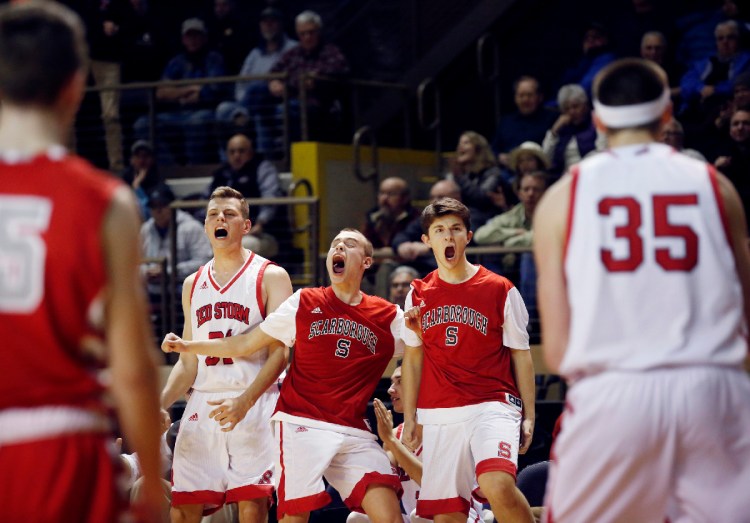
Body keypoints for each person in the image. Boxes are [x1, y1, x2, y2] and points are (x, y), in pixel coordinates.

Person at [533, 58, 750, 522]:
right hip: (714, 388)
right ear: (668, 114)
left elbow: (556, 349)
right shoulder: (716, 186)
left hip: (615, 390)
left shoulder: (561, 198)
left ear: (597, 121)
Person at [0, 2, 163, 521]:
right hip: (60, 448)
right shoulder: (104, 201)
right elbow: (133, 369)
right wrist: (155, 485)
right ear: (75, 86)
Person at [162, 228, 405, 523]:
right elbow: (244, 343)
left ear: (367, 261)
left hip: (351, 428)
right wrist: (189, 345)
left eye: (349, 244)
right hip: (301, 424)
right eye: (334, 243)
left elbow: (420, 351)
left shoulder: (388, 315)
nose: (338, 247)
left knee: (389, 514)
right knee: (294, 517)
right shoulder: (303, 301)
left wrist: (414, 416)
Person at [159, 186, 294, 522]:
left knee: (251, 508)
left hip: (254, 399)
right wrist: (159, 404)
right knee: (182, 511)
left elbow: (281, 356)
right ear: (206, 227)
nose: (220, 219)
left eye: (230, 214)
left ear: (245, 227)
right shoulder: (192, 283)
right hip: (203, 402)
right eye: (213, 215)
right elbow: (188, 362)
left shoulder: (271, 276)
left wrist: (245, 401)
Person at [400, 198, 536, 523]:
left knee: (497, 483)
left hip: (492, 404)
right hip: (438, 413)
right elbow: (413, 360)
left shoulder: (500, 289)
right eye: (440, 231)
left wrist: (529, 414)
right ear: (426, 240)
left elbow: (521, 353)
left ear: (468, 236)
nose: (448, 237)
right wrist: (410, 417)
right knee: (448, 516)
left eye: (456, 230)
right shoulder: (417, 295)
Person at [347, 365, 487, 523]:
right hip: (417, 518)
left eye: (399, 382)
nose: (391, 390)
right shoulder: (394, 436)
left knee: (419, 516)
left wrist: (392, 442)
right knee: (357, 518)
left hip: (460, 517)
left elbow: (436, 488)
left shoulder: (449, 429)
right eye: (392, 383)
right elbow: (382, 492)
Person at [133, 18, 227, 165]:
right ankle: (170, 165)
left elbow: (214, 89)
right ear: (183, 39)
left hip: (204, 111)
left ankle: (193, 167)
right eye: (189, 36)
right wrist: (190, 89)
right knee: (142, 124)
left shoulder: (214, 59)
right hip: (177, 113)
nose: (193, 40)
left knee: (196, 122)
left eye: (197, 36)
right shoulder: (176, 62)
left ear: (204, 38)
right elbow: (161, 92)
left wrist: (185, 92)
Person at [215, 6, 298, 154]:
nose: (268, 26)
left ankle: (242, 115)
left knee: (259, 90)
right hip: (252, 103)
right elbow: (241, 83)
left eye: (272, 22)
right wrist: (244, 102)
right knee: (223, 109)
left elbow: (291, 78)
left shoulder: (293, 49)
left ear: (280, 24)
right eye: (265, 22)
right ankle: (226, 160)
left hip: (277, 100)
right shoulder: (255, 53)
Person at [268, 10, 349, 142]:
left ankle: (288, 150)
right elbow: (274, 71)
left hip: (319, 105)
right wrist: (273, 81)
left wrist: (317, 78)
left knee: (284, 110)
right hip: (293, 98)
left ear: (319, 32)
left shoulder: (330, 51)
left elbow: (340, 69)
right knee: (257, 91)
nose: (307, 37)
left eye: (311, 32)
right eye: (302, 33)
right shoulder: (293, 53)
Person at [208, 134, 283, 258]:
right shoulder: (221, 174)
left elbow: (270, 199)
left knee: (240, 246)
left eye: (241, 151)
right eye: (232, 152)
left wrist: (260, 223)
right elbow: (206, 201)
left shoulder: (262, 168)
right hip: (224, 233)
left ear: (251, 152)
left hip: (259, 234)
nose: (236, 155)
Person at [140, 182, 213, 309]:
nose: (158, 211)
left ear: (172, 206)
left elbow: (205, 262)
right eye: (153, 207)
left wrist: (169, 271)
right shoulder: (146, 229)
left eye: (162, 206)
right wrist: (146, 271)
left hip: (184, 289)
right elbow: (135, 261)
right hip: (152, 290)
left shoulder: (191, 227)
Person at [474, 171, 548, 277]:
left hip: (544, 267)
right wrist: (515, 232)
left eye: (536, 189)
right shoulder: (512, 215)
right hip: (511, 267)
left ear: (545, 193)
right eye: (526, 189)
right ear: (519, 193)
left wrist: (507, 243)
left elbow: (538, 237)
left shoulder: (552, 214)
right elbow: (480, 236)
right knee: (490, 256)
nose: (530, 194)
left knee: (528, 256)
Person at [679, 20, 750, 117]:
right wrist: (701, 88)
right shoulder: (704, 62)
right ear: (716, 42)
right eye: (720, 38)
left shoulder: (747, 61)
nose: (725, 42)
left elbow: (738, 85)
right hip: (694, 108)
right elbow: (686, 83)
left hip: (726, 110)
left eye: (730, 37)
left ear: (739, 40)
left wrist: (716, 90)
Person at [490, 76, 557, 169]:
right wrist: (499, 157)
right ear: (515, 98)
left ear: (540, 97)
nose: (525, 100)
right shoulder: (506, 122)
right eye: (521, 95)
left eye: (529, 95)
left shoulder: (553, 119)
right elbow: (493, 150)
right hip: (508, 174)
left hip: (541, 173)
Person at [542, 84, 606, 180]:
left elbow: (602, 151)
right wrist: (554, 131)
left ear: (585, 105)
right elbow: (545, 159)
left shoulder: (595, 120)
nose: (572, 112)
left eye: (575, 107)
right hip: (564, 179)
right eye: (567, 109)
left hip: (592, 174)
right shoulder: (561, 128)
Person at [452, 131, 514, 226]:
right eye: (459, 143)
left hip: (486, 217)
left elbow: (482, 197)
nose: (460, 147)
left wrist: (460, 177)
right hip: (466, 214)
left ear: (478, 149)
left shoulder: (493, 172)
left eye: (466, 143)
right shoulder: (463, 173)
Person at [121, 139, 163, 219]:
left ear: (152, 160)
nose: (141, 161)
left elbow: (151, 212)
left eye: (145, 156)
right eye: (138, 156)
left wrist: (137, 187)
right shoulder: (124, 179)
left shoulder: (158, 182)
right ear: (131, 160)